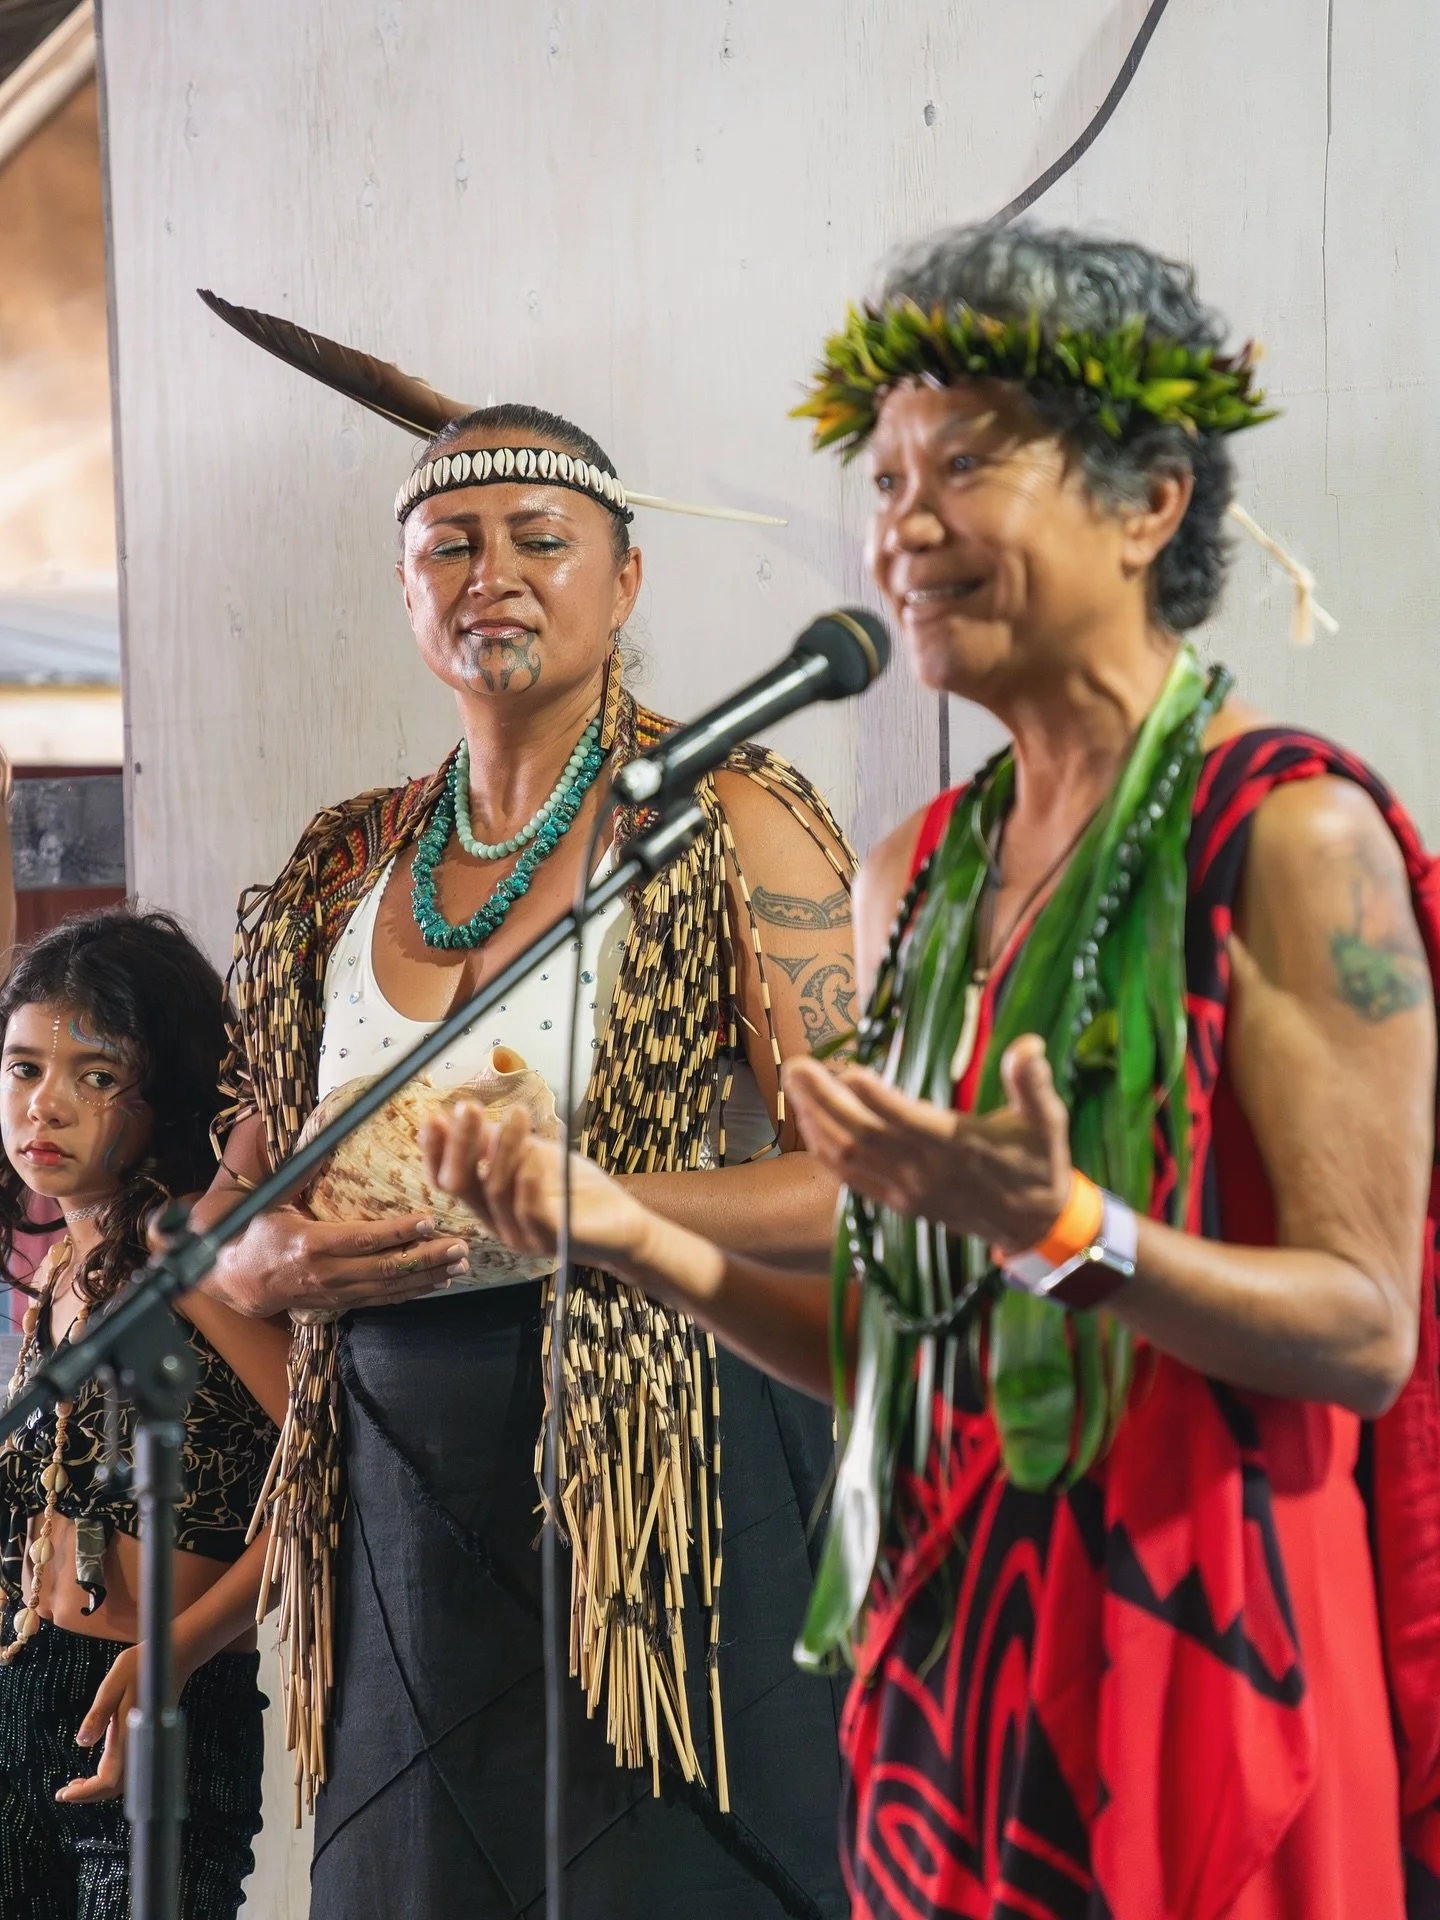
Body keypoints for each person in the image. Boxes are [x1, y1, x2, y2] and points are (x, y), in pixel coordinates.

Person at [422, 226, 1440, 1920]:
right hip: (953, 1661)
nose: (899, 525)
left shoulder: (1289, 837)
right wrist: (620, 1232)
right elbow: (902, 1348)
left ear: (1149, 502)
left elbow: (1363, 1329)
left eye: (961, 466)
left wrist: (1069, 1229)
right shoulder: (922, 873)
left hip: (1206, 1651)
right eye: (885, 477)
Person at [192, 401, 855, 1917]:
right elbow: (232, 1199)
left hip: (671, 1487)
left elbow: (861, 1182)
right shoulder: (344, 863)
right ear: (406, 593)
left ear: (623, 583)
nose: (491, 571)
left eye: (540, 539)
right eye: (449, 544)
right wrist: (254, 1260)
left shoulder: (729, 820)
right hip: (399, 1514)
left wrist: (598, 1210)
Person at [0, 908, 288, 1920]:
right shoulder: (53, 1282)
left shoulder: (196, 1264)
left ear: (161, 1086)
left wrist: (179, 1654)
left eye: (96, 1075)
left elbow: (331, 1484)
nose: (47, 1107)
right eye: (24, 1067)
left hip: (171, 1700)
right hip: (26, 1696)